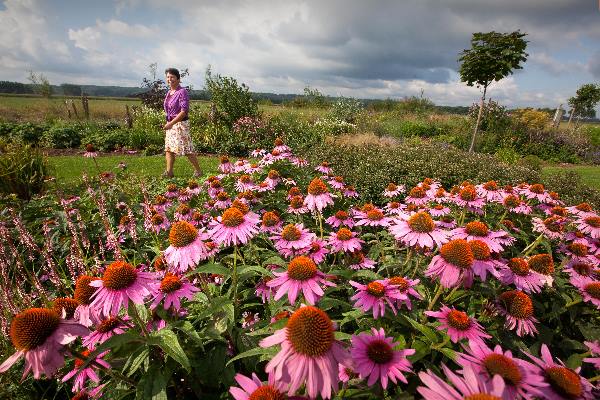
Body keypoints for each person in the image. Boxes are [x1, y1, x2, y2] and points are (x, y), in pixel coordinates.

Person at [163, 68, 202, 178]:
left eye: (172, 77)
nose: (170, 79)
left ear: (178, 79)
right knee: (169, 149)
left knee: (186, 149)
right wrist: (169, 122)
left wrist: (171, 123)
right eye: (168, 77)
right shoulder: (169, 93)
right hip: (171, 124)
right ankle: (169, 172)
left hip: (180, 125)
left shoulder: (182, 92)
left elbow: (184, 111)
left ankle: (198, 171)